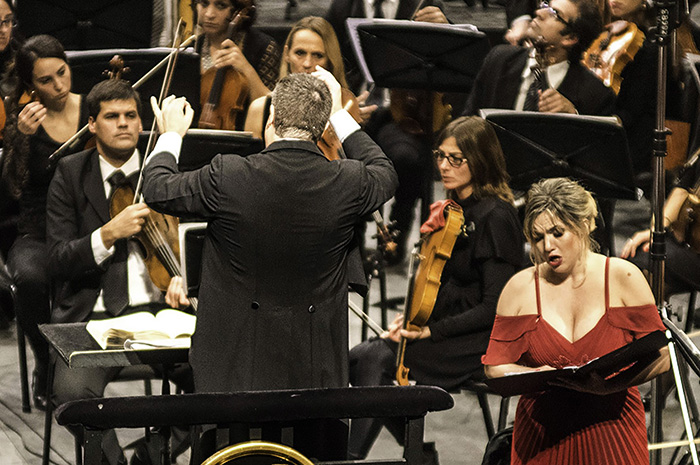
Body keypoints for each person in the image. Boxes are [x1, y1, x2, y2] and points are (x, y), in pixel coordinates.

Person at [143, 69, 397, 394]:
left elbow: (156, 187)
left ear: (271, 117)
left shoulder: (228, 175)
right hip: (313, 374)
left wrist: (172, 135)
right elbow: (385, 171)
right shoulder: (349, 182)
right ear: (322, 127)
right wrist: (337, 113)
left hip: (234, 376)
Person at [348, 116, 524, 460]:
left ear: (480, 160)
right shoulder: (456, 209)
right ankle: (420, 452)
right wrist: (409, 320)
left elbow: (494, 307)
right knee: (355, 359)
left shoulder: (496, 217)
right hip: (445, 328)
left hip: (480, 339)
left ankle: (351, 458)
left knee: (378, 360)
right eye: (440, 156)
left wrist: (430, 331)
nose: (444, 166)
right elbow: (435, 281)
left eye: (455, 159)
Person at [46, 79, 193, 465]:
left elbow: (198, 241)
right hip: (93, 321)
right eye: (112, 117)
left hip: (166, 317)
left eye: (131, 115)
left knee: (224, 381)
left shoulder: (162, 170)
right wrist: (106, 234)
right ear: (91, 125)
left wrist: (187, 276)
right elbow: (58, 258)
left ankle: (153, 454)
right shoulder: (69, 173)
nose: (124, 123)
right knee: (73, 395)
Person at [482, 177, 669, 464]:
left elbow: (662, 358)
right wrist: (534, 373)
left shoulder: (622, 277)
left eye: (558, 233)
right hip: (542, 435)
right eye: (538, 237)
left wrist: (608, 387)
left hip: (612, 432)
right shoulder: (519, 288)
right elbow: (495, 367)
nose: (547, 246)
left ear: (585, 225)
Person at [0, 34, 89, 411]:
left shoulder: (94, 108)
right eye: (45, 80)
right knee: (30, 278)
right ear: (29, 85)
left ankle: (90, 367)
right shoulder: (21, 120)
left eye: (62, 73)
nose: (58, 86)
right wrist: (20, 138)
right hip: (37, 227)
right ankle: (47, 361)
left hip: (87, 221)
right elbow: (10, 188)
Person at [463, 0, 615, 116]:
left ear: (570, 38)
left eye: (554, 13)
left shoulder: (594, 94)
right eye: (544, 5)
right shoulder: (499, 60)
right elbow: (469, 121)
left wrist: (573, 116)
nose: (539, 13)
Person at [244, 16, 376, 139]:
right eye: (300, 53)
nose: (307, 64)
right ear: (286, 54)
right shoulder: (260, 109)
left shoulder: (344, 110)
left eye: (318, 55)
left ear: (330, 61)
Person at [195, 0, 280, 130]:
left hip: (246, 140)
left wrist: (246, 68)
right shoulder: (193, 48)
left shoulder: (263, 46)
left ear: (238, 10)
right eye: (204, 4)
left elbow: (272, 107)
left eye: (221, 5)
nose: (209, 14)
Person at [621, 161, 700, 295]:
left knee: (652, 265)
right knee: (634, 267)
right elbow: (684, 186)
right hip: (690, 240)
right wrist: (657, 230)